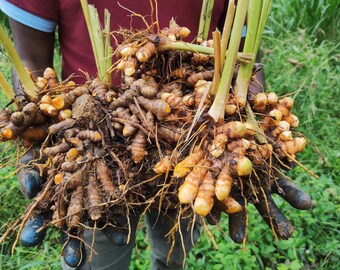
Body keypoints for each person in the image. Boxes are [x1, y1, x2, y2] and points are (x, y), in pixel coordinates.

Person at [0, 1, 312, 269]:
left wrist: (251, 122)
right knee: (97, 256)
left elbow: (246, 60)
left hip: (189, 140)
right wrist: (35, 120)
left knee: (175, 253)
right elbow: (30, 60)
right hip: (98, 145)